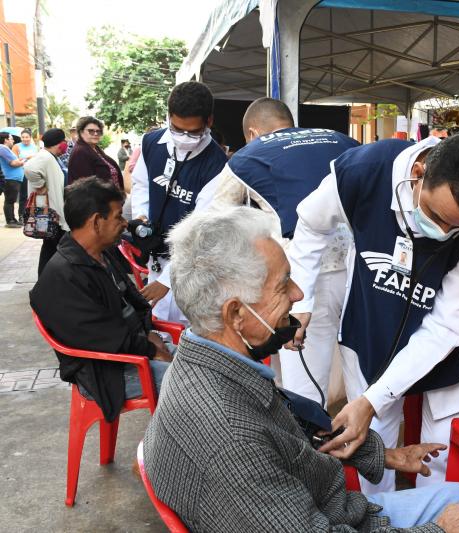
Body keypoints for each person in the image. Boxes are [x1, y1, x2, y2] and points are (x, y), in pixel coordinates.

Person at [143, 206, 459, 533]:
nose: (299, 294)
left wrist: (382, 455)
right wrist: (440, 532)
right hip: (323, 518)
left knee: (456, 496)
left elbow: (284, 431)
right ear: (236, 314)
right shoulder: (230, 440)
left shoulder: (205, 357)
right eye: (284, 284)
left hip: (321, 507)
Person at [287, 134, 459, 493]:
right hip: (373, 311)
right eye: (435, 215)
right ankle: (380, 517)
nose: (441, 234)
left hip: (449, 331)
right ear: (419, 173)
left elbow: (445, 327)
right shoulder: (363, 172)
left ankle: (436, 519)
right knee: (373, 436)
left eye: (457, 228)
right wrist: (301, 302)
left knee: (443, 440)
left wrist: (374, 399)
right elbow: (311, 226)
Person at [194, 97, 359, 404]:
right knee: (357, 367)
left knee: (305, 378)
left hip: (301, 279)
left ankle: (306, 443)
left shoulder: (250, 155)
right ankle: (365, 441)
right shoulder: (343, 140)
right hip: (359, 267)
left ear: (252, 133)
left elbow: (214, 219)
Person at [29, 177, 173, 423]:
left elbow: (135, 303)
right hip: (105, 372)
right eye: (118, 216)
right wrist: (150, 349)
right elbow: (105, 339)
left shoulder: (103, 254)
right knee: (192, 385)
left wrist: (149, 334)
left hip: (134, 349)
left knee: (210, 367)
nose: (125, 223)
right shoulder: (62, 277)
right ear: (96, 222)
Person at [130, 81, 228, 323]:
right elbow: (141, 185)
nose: (184, 137)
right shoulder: (151, 143)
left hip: (192, 265)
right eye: (176, 128)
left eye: (193, 132)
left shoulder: (217, 165)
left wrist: (168, 281)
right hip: (157, 253)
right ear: (168, 117)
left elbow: (201, 231)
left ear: (209, 122)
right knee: (160, 326)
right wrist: (142, 216)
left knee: (190, 327)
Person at [24, 128, 71, 274]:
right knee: (52, 247)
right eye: (64, 142)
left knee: (51, 247)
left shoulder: (52, 157)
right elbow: (30, 168)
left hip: (54, 212)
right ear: (59, 143)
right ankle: (45, 284)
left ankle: (46, 283)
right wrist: (40, 186)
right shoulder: (45, 157)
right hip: (51, 213)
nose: (66, 145)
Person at [68, 117, 123, 189]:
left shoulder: (95, 148)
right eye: (91, 131)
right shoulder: (80, 152)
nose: (95, 133)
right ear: (81, 132)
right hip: (96, 199)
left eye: (98, 131)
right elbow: (86, 186)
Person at [0, 132, 25, 227]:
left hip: (13, 178)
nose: (13, 140)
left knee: (11, 199)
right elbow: (13, 163)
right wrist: (22, 162)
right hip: (10, 178)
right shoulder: (3, 148)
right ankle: (10, 221)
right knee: (10, 200)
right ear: (6, 140)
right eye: (11, 138)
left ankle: (12, 219)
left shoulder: (5, 149)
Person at [14, 128, 38, 221]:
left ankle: (32, 214)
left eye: (27, 137)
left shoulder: (34, 147)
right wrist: (27, 157)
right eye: (23, 137)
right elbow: (14, 161)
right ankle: (21, 215)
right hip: (22, 173)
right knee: (23, 195)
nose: (25, 139)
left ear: (30, 137)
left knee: (32, 194)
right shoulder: (17, 146)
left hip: (33, 173)